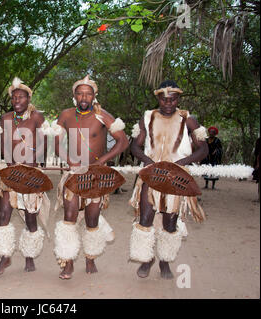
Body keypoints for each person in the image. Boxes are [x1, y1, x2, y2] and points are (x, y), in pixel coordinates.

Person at [129, 80, 208, 279]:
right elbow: (134, 147)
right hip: (151, 175)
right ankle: (146, 260)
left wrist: (181, 163)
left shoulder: (188, 119)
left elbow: (204, 149)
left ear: (178, 99)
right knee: (145, 219)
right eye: (164, 100)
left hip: (175, 178)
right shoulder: (147, 117)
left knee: (170, 223)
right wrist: (149, 161)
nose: (168, 104)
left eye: (172, 100)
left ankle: (165, 262)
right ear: (158, 99)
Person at [52, 75, 129, 279]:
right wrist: (68, 159)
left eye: (88, 93)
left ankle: (90, 257)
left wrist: (102, 160)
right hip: (74, 174)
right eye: (80, 93)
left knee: (91, 219)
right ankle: (67, 262)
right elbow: (56, 143)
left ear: (94, 96)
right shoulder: (66, 115)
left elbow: (123, 142)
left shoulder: (103, 116)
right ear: (74, 95)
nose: (84, 97)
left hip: (95, 175)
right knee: (69, 216)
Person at [0, 77, 50, 276]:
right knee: (3, 214)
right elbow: (3, 145)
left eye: (21, 97)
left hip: (31, 175)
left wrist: (36, 164)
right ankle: (5, 257)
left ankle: (30, 256)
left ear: (28, 98)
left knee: (30, 218)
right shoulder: (6, 118)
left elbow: (44, 142)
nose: (17, 100)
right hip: (10, 174)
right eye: (14, 97)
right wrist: (8, 165)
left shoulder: (37, 117)